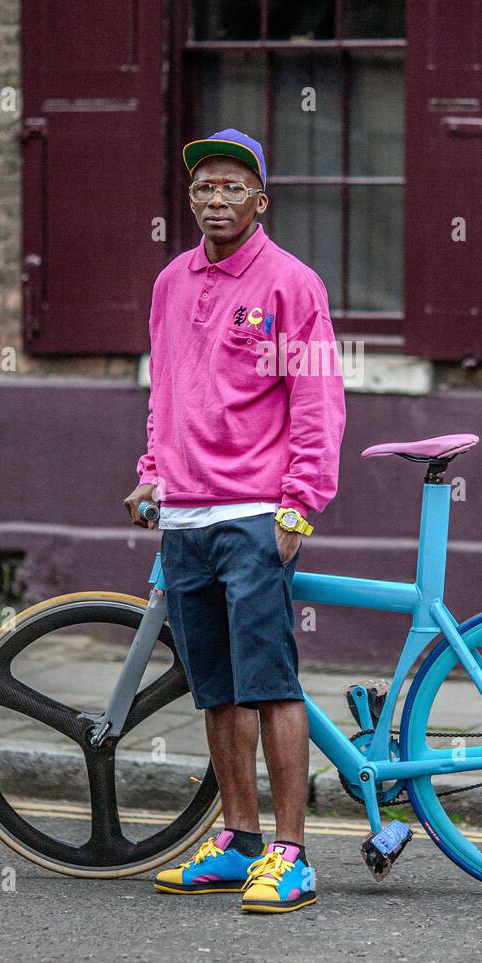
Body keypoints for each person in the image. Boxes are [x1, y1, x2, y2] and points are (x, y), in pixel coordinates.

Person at [124, 128, 346, 915]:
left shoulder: (293, 284)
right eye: (202, 188)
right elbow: (166, 393)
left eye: (230, 187)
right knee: (216, 691)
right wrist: (153, 473)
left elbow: (317, 401)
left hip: (256, 512)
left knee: (271, 685)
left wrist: (301, 502)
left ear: (261, 200)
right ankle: (239, 838)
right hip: (184, 515)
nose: (214, 200)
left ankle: (292, 855)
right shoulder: (170, 284)